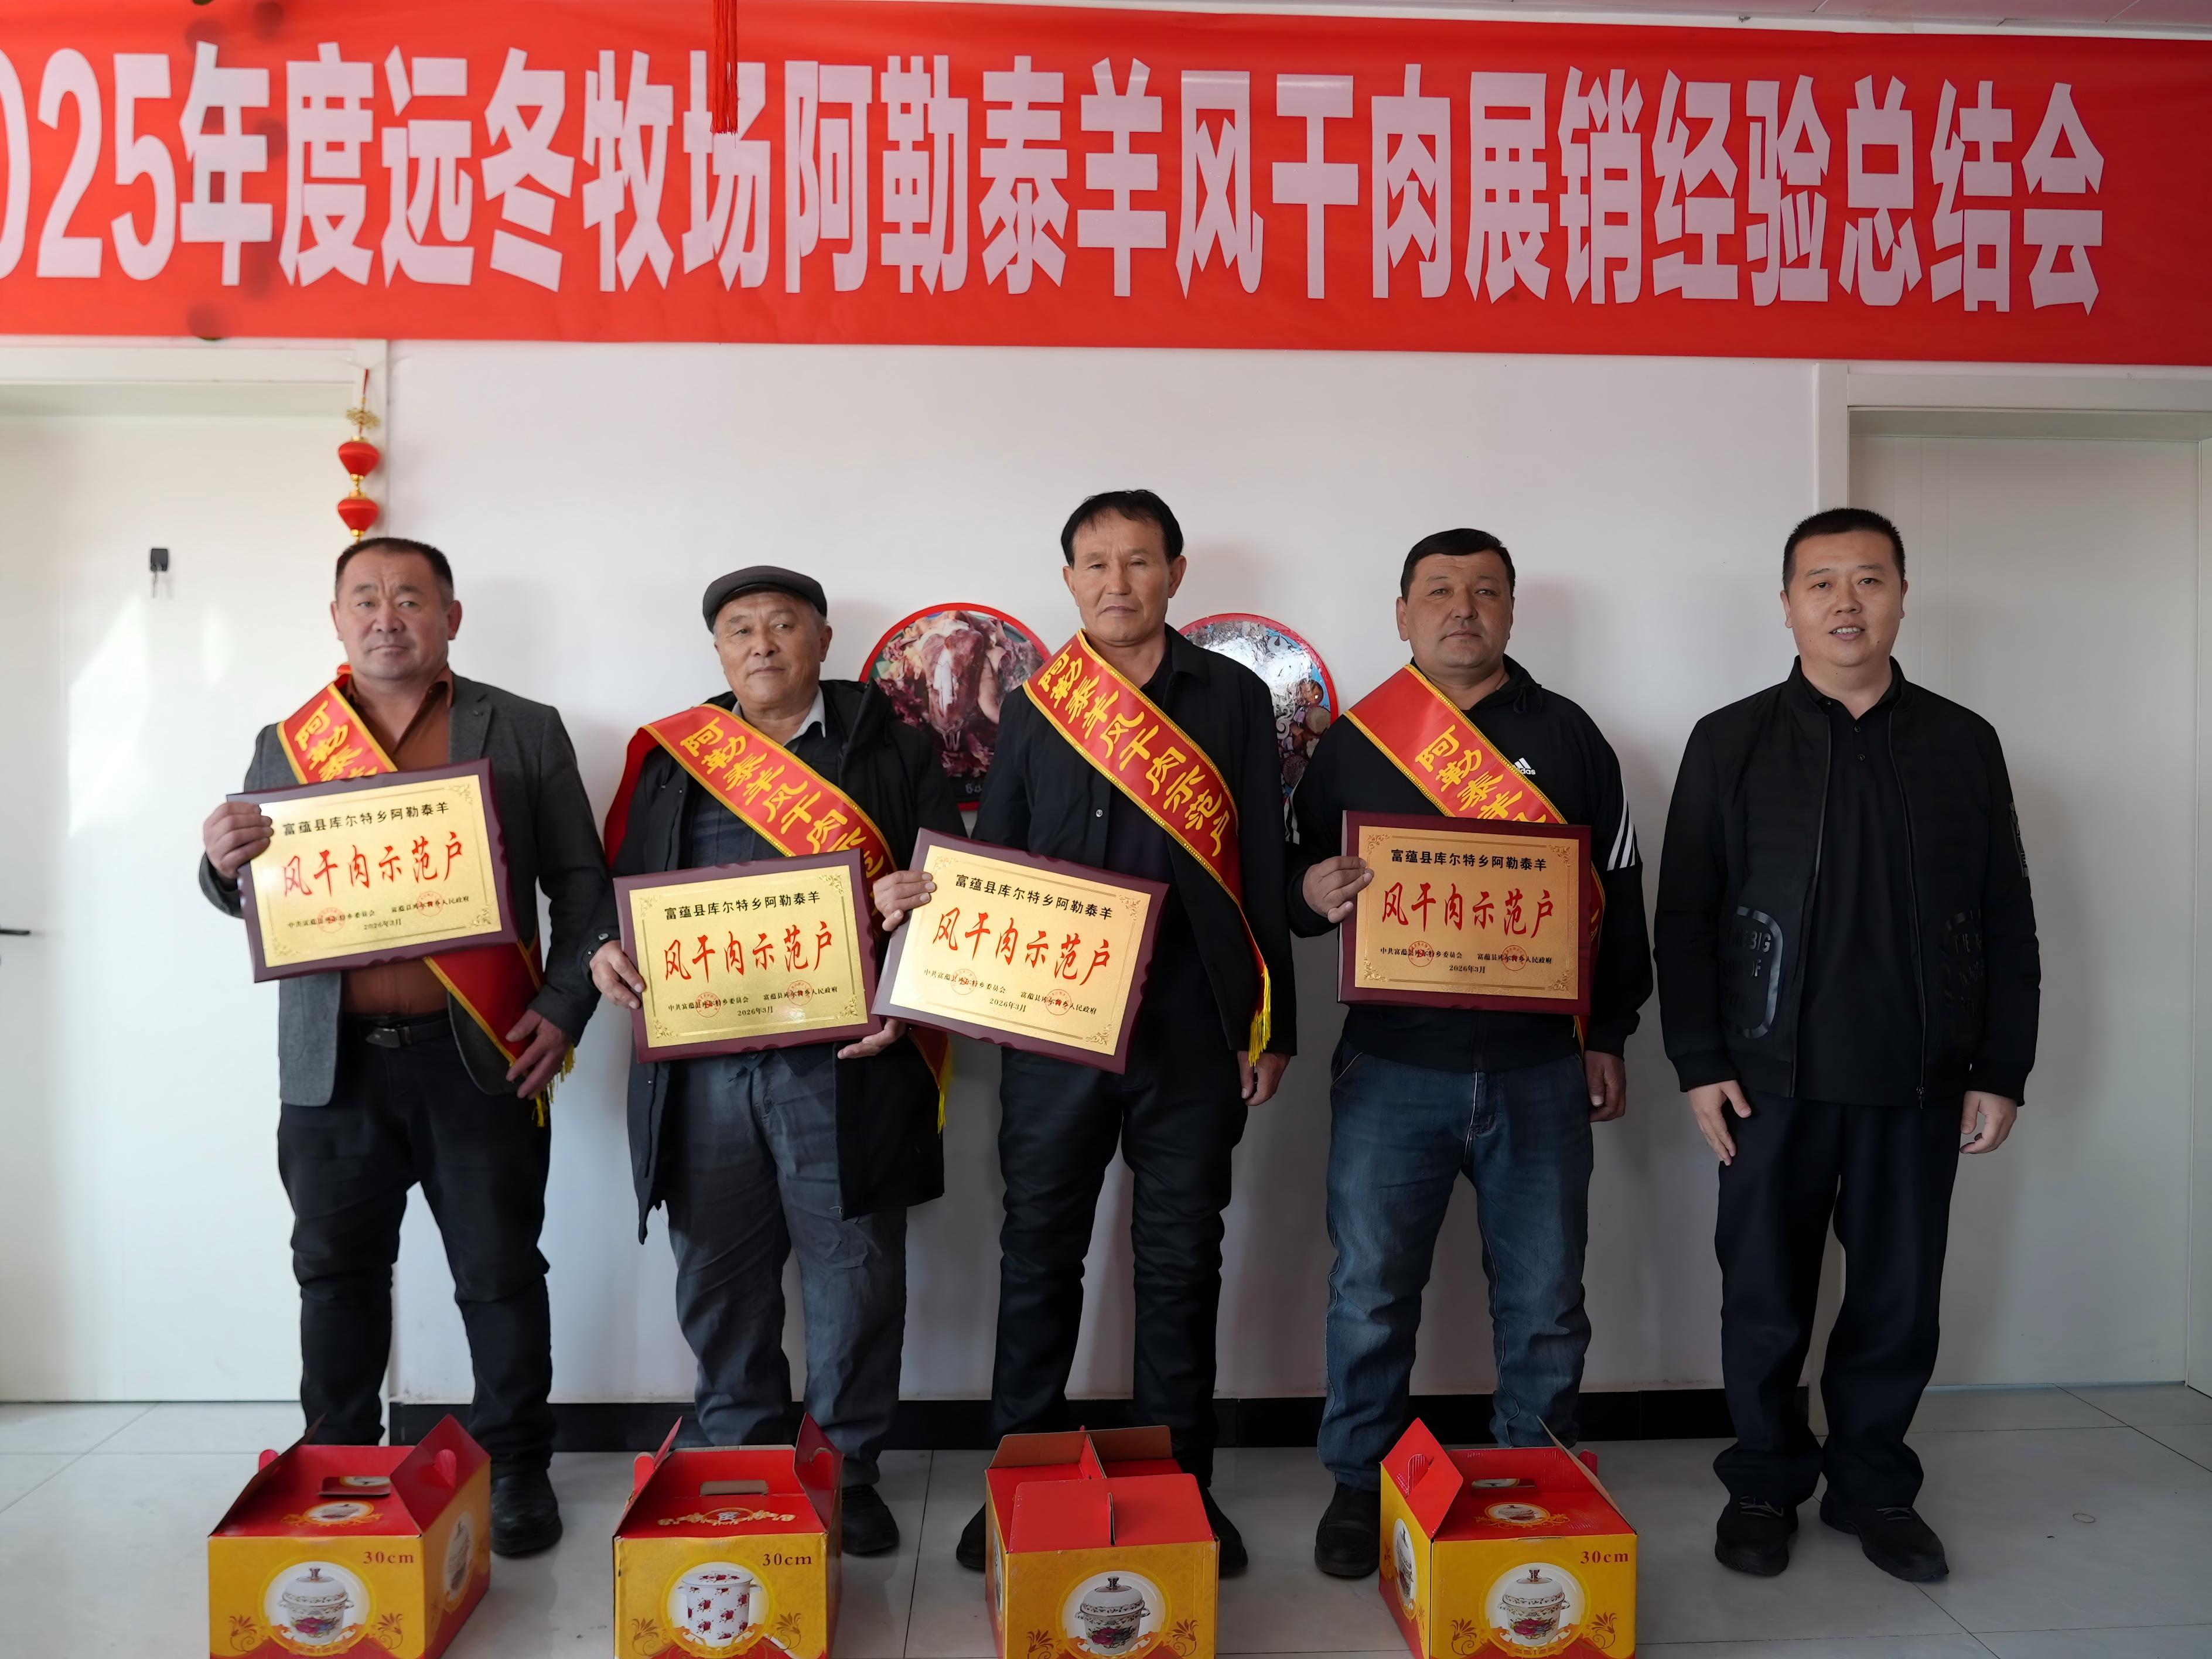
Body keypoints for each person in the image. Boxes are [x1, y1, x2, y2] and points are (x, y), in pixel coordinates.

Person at [876, 489, 1297, 1576]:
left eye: (1140, 560)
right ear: (1069, 581)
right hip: (1054, 1031)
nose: (1119, 582)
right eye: (1097, 564)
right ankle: (1018, 1482)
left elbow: (1259, 862)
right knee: (1038, 1256)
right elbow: (1002, 858)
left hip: (1192, 1030)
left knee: (1181, 1263)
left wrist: (1271, 1021)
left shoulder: (1233, 699)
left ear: (1176, 573)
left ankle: (1181, 1489)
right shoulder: (1038, 706)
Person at [197, 536, 610, 1556]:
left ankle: (517, 1468)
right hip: (332, 1065)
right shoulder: (289, 743)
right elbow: (254, 893)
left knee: (499, 1272)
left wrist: (565, 1009)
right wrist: (217, 866)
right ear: (338, 619)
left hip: (479, 1055)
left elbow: (582, 886)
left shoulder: (522, 728)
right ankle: (341, 1467)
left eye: (412, 599)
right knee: (333, 1274)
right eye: (367, 598)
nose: (389, 617)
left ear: (451, 617)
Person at [1655, 507, 2039, 1585]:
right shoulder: (1730, 740)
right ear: (1786, 605)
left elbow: (2007, 915)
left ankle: (1873, 1486)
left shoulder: (1962, 742)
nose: (1845, 602)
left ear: (1903, 596)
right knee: (1763, 1297)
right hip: (1766, 1081)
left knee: (1896, 1301)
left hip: (1917, 1079)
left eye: (1869, 579)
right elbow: (1685, 916)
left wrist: (2001, 1068)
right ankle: (1764, 1485)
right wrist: (1699, 1061)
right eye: (1821, 582)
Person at [1289, 528, 1653, 1578]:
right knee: (1370, 1293)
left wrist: (1610, 1032)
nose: (1463, 609)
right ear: (1402, 613)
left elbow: (1621, 894)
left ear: (1511, 611)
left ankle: (1533, 1477)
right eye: (1440, 591)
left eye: (1486, 591)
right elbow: (1291, 879)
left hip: (1542, 1065)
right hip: (1392, 1066)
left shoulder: (1571, 735)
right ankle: (1360, 1482)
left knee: (1544, 1301)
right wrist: (1307, 894)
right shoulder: (1356, 742)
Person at [587, 566, 960, 1558]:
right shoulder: (670, 759)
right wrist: (600, 948)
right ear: (718, 651)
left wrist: (905, 949)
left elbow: (954, 894)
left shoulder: (895, 748)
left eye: (784, 625)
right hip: (703, 1070)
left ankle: (849, 1471)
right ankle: (744, 1456)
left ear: (823, 641)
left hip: (845, 1063)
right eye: (740, 629)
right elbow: (610, 890)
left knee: (857, 1276)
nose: (762, 644)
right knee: (719, 1275)